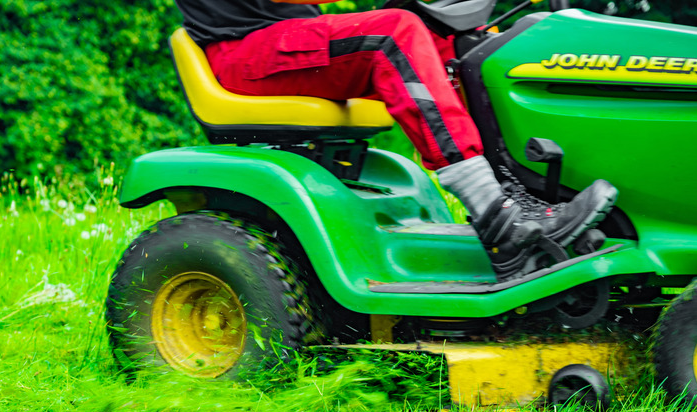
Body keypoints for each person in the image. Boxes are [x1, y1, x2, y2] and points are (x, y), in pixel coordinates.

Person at [173, 0, 618, 280]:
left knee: (460, 45)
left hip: (286, 44)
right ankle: (497, 220)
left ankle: (522, 196)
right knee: (395, 33)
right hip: (245, 53)